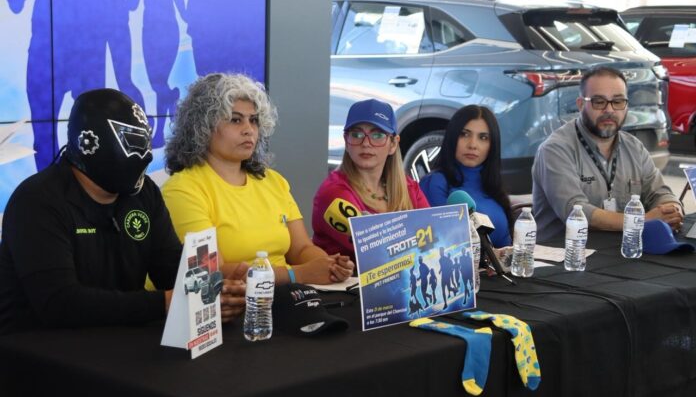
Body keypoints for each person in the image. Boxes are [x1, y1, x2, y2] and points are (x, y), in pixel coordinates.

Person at [1, 89, 188, 334]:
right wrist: (162, 304)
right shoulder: (36, 201)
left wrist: (210, 291)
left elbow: (171, 268)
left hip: (118, 340)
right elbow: (59, 304)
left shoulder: (144, 194)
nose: (145, 154)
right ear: (89, 142)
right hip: (38, 345)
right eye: (133, 142)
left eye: (146, 141)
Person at [162, 73, 354, 301]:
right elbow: (212, 273)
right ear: (203, 127)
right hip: (233, 307)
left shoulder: (274, 181)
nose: (249, 130)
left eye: (253, 120)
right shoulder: (182, 190)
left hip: (289, 298)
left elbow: (301, 248)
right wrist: (298, 274)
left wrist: (328, 265)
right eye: (235, 120)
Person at [532, 66, 683, 242]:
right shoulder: (556, 149)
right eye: (599, 102)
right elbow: (576, 212)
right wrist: (642, 221)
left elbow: (659, 192)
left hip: (620, 249)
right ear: (581, 105)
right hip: (562, 252)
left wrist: (671, 209)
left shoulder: (634, 147)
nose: (609, 110)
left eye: (618, 101)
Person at [312, 98, 430, 260]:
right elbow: (379, 252)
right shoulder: (333, 193)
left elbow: (435, 235)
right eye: (357, 134)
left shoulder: (409, 187)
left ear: (393, 144)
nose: (366, 143)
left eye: (377, 135)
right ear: (346, 141)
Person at [419, 105, 513, 248]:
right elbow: (443, 245)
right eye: (464, 134)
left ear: (492, 144)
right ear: (452, 137)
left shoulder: (492, 186)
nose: (473, 145)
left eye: (483, 137)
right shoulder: (434, 183)